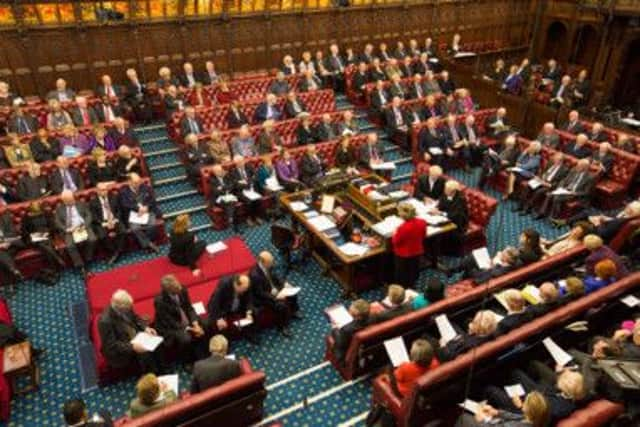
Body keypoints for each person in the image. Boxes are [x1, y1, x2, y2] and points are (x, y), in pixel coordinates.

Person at [98, 290, 166, 374]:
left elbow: (135, 318)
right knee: (145, 354)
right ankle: (152, 377)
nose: (129, 309)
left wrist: (145, 328)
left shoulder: (126, 307)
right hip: (122, 347)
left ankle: (163, 371)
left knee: (157, 342)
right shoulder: (105, 321)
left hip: (134, 336)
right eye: (127, 309)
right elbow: (111, 346)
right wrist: (132, 347)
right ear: (119, 307)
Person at [154, 274, 208, 363]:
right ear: (168, 291)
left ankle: (203, 354)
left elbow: (189, 308)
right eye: (176, 290)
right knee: (185, 338)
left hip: (185, 319)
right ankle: (187, 361)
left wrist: (195, 324)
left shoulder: (182, 289)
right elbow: (169, 322)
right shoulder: (160, 302)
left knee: (205, 324)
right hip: (171, 326)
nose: (179, 290)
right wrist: (191, 329)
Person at [250, 251, 300, 337]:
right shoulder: (255, 275)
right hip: (265, 296)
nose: (273, 264)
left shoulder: (268, 265)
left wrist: (284, 283)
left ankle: (294, 310)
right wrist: (275, 297)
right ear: (263, 262)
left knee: (292, 291)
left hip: (274, 288)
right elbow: (260, 293)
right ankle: (282, 327)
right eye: (270, 262)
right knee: (281, 306)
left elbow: (275, 276)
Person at [54, 190, 96, 276]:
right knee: (70, 245)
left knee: (92, 239)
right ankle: (80, 265)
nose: (72, 201)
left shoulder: (80, 203)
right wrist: (66, 229)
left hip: (82, 226)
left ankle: (87, 259)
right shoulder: (59, 209)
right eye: (69, 201)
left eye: (72, 199)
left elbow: (88, 215)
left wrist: (85, 225)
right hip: (70, 230)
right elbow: (57, 222)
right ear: (64, 201)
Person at [207, 274, 258, 343]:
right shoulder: (225, 283)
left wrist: (248, 312)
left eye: (246, 289)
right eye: (244, 289)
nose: (245, 291)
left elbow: (249, 299)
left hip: (239, 305)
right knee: (215, 323)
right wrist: (218, 318)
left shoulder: (245, 284)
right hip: (224, 308)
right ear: (236, 285)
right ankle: (224, 342)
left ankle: (249, 334)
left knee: (254, 312)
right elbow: (215, 302)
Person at [118, 173, 161, 253]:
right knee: (135, 228)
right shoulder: (123, 191)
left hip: (147, 211)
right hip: (133, 214)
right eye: (135, 182)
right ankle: (149, 245)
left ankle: (147, 245)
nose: (138, 184)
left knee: (152, 225)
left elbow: (153, 200)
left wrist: (146, 207)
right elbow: (125, 204)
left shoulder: (146, 187)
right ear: (129, 182)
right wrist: (138, 209)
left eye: (139, 181)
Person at [456, 391, 549, 427]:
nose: (523, 402)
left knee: (464, 418)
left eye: (526, 402)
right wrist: (496, 412)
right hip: (499, 423)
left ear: (529, 409)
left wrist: (482, 421)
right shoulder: (533, 419)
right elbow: (514, 417)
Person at [22, 201, 66, 271]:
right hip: (34, 237)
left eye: (38, 212)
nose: (36, 214)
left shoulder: (46, 213)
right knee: (44, 244)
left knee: (46, 245)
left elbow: (52, 226)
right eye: (34, 213)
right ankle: (57, 258)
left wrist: (47, 232)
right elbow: (24, 231)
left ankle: (54, 267)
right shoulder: (26, 218)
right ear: (30, 211)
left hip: (47, 235)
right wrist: (32, 235)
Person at [89, 183, 126, 265]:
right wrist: (104, 223)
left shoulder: (113, 197)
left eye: (106, 189)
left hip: (114, 220)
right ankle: (114, 251)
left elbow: (119, 210)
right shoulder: (93, 202)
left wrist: (115, 219)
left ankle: (117, 252)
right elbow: (94, 217)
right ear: (97, 191)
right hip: (102, 222)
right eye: (102, 190)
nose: (105, 192)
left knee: (123, 231)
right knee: (102, 236)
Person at [392, 203, 427, 288]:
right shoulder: (422, 222)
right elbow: (424, 235)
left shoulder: (402, 228)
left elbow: (395, 242)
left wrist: (394, 233)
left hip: (403, 255)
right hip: (417, 251)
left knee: (402, 274)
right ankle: (412, 285)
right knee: (413, 270)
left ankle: (403, 287)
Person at [331, 299, 370, 366]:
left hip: (344, 351)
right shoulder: (372, 318)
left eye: (350, 311)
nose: (349, 310)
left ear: (357, 317)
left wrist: (334, 328)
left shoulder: (347, 329)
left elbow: (340, 343)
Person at [229, 155, 263, 226]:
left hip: (251, 189)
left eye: (241, 161)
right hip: (241, 191)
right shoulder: (233, 172)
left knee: (258, 199)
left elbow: (255, 176)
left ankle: (256, 216)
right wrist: (245, 184)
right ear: (236, 163)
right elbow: (235, 184)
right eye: (238, 162)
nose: (241, 163)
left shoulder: (249, 166)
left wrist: (248, 182)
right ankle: (249, 218)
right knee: (249, 201)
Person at [0, 209, 25, 283]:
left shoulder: (5, 218)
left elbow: (12, 233)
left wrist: (5, 241)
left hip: (13, 243)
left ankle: (11, 277)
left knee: (2, 255)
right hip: (3, 248)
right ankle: (14, 271)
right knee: (2, 254)